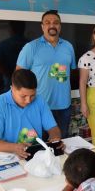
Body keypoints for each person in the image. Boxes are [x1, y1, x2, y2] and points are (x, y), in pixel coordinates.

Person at [17, 10, 76, 139]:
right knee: (38, 146)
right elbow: (19, 76)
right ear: (42, 26)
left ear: (60, 26)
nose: (52, 25)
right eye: (47, 22)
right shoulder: (31, 47)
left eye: (55, 22)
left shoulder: (68, 47)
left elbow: (69, 72)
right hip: (38, 106)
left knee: (60, 145)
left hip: (64, 107)